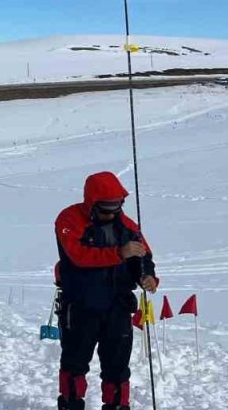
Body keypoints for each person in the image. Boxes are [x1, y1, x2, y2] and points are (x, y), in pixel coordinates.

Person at [55, 171, 158, 410]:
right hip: (80, 306)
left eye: (116, 207)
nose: (112, 214)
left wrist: (148, 275)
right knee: (74, 364)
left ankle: (118, 406)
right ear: (91, 203)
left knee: (118, 368)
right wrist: (120, 253)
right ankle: (71, 404)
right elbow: (78, 257)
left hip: (117, 306)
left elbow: (144, 255)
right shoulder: (68, 219)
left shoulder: (126, 225)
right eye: (105, 209)